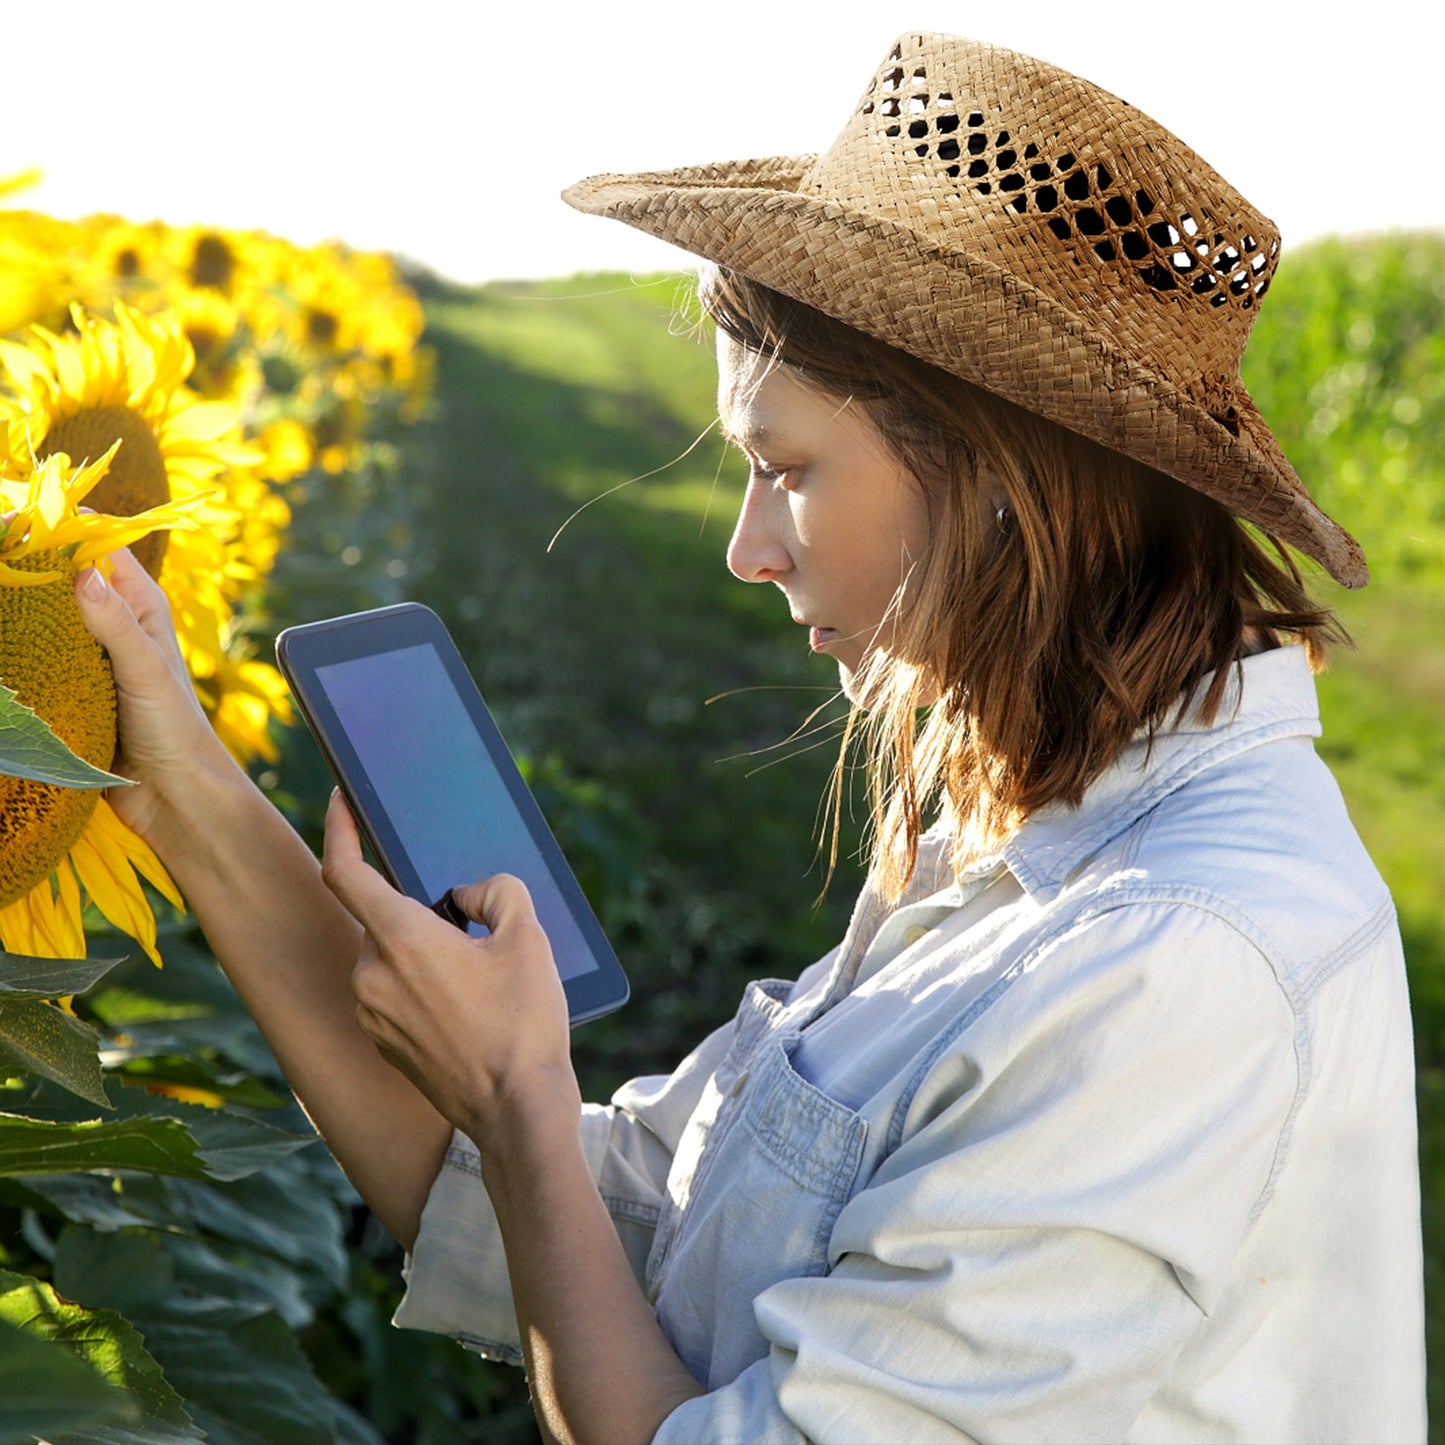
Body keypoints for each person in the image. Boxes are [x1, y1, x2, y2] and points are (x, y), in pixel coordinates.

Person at [76, 31, 1425, 1445]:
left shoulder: (1168, 965)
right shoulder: (1008, 825)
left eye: (786, 471)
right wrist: (177, 785)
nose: (744, 548)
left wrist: (522, 1093)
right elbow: (596, 1232)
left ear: (1001, 481)